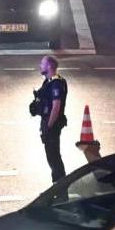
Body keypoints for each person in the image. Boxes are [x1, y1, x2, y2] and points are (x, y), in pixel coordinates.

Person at [31, 54, 68, 182]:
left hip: (52, 124)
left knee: (54, 157)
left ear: (49, 66)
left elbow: (56, 106)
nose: (40, 66)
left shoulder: (56, 83)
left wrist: (49, 126)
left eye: (42, 63)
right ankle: (58, 184)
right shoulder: (48, 82)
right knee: (51, 156)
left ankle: (60, 186)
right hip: (47, 122)